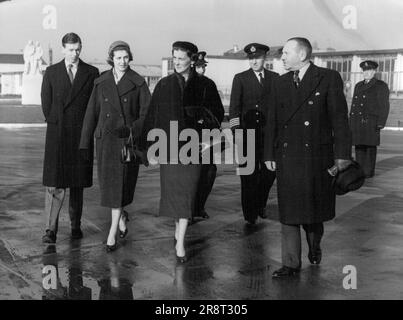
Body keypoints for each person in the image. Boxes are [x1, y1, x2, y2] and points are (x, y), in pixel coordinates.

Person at [264, 37, 352, 277]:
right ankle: (290, 263)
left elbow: (339, 120)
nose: (282, 57)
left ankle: (314, 244)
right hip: (287, 157)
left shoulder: (327, 78)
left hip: (317, 157)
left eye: (286, 53)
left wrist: (342, 155)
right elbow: (272, 120)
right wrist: (269, 153)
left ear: (302, 55)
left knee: (313, 213)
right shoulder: (280, 83)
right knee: (289, 212)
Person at [141, 41, 223, 263]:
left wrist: (209, 142)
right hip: (168, 148)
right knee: (174, 195)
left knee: (187, 194)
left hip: (194, 147)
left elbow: (217, 115)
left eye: (180, 58)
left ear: (192, 58)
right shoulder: (163, 85)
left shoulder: (206, 85)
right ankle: (178, 230)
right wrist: (151, 147)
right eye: (173, 57)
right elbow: (153, 116)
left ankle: (180, 241)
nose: (176, 62)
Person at [79, 41, 151, 252]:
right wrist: (84, 142)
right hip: (105, 142)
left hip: (126, 142)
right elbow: (91, 113)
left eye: (126, 57)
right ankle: (120, 218)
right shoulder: (101, 82)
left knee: (119, 187)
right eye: (118, 58)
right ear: (112, 59)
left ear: (130, 58)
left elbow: (148, 113)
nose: (122, 62)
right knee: (110, 188)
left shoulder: (138, 82)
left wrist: (132, 130)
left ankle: (112, 232)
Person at [41, 33, 99, 244]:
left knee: (77, 185)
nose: (75, 53)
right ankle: (50, 230)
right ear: (63, 49)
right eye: (71, 49)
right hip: (58, 136)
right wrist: (58, 124)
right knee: (54, 186)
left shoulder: (91, 73)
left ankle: (76, 226)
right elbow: (46, 105)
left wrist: (85, 129)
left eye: (78, 49)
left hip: (80, 135)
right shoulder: (51, 72)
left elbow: (94, 105)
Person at [229, 43, 278, 225]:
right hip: (246, 135)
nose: (254, 61)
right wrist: (237, 132)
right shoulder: (240, 78)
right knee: (248, 176)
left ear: (265, 58)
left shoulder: (275, 78)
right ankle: (250, 213)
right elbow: (234, 109)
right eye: (251, 58)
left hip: (267, 136)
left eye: (257, 58)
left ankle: (260, 204)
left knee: (268, 173)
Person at [190, 51, 225, 224]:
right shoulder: (185, 84)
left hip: (207, 134)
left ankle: (199, 206)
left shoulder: (209, 85)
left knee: (209, 171)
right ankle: (187, 208)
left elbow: (219, 109)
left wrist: (211, 121)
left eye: (203, 67)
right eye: (198, 66)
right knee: (190, 172)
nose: (201, 70)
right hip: (187, 134)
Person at [349, 60, 390, 178]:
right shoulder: (358, 85)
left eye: (369, 70)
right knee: (359, 147)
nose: (366, 73)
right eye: (365, 71)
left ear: (374, 71)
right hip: (357, 122)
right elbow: (354, 105)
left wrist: (381, 123)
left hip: (371, 122)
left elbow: (384, 106)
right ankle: (360, 170)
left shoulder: (380, 85)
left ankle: (368, 171)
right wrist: (351, 121)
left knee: (370, 147)